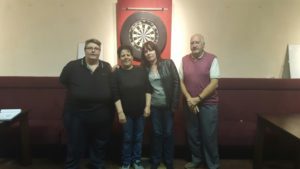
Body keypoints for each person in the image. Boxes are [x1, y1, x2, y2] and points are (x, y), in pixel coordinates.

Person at [60, 38, 114, 169]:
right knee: (74, 144)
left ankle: (97, 165)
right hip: (76, 114)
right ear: (85, 50)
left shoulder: (106, 67)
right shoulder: (72, 66)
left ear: (100, 51)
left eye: (96, 48)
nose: (93, 50)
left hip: (101, 114)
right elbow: (63, 81)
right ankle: (72, 166)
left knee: (99, 144)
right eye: (90, 48)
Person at [179, 34, 220, 169]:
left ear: (203, 44)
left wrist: (198, 98)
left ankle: (212, 164)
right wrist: (189, 99)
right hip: (190, 103)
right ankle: (196, 160)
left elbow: (214, 82)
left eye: (197, 42)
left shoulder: (212, 59)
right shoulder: (184, 60)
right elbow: (180, 81)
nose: (194, 45)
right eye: (192, 43)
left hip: (208, 104)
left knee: (209, 136)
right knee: (192, 134)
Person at [141, 41, 180, 169]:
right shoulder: (144, 68)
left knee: (168, 133)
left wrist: (174, 105)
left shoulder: (168, 63)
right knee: (157, 133)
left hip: (168, 106)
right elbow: (131, 71)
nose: (148, 53)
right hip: (154, 106)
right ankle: (156, 160)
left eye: (150, 50)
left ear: (156, 51)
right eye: (146, 51)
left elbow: (176, 83)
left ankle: (168, 161)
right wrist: (116, 67)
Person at [112, 45, 152, 169]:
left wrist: (147, 107)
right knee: (127, 138)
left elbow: (148, 89)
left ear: (132, 56)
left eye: (128, 54)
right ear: (119, 58)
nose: (126, 57)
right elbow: (115, 94)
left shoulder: (141, 70)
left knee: (138, 138)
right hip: (126, 114)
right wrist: (120, 112)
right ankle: (126, 162)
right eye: (123, 55)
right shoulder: (116, 73)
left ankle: (137, 161)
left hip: (141, 112)